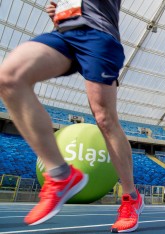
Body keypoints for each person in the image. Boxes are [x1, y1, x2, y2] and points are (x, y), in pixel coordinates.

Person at [0, 1, 143, 232]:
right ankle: (60, 174)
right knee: (9, 78)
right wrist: (60, 12)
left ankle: (131, 197)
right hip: (65, 33)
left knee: (105, 119)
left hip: (99, 34)